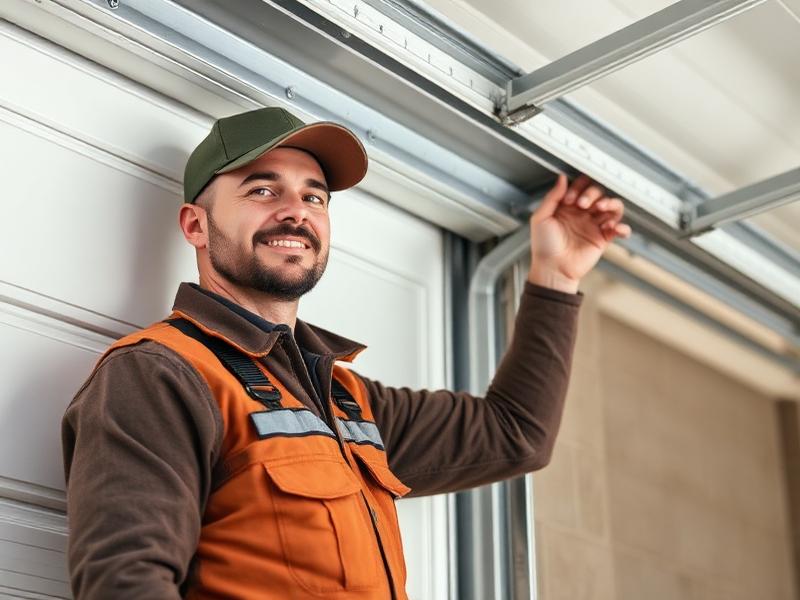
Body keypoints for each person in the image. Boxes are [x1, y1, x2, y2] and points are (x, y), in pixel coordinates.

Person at [61, 106, 631, 599]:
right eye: (263, 189)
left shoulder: (346, 401)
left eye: (314, 196)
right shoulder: (161, 374)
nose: (296, 211)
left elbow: (516, 434)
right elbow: (124, 584)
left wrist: (554, 275)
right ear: (196, 225)